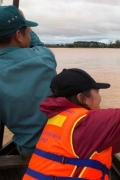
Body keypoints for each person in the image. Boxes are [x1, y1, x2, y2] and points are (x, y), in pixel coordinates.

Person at [23, 68, 120, 180]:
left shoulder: (58, 120)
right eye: (97, 92)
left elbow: (98, 147)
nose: (100, 98)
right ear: (82, 98)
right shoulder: (87, 122)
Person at [0, 5, 57, 157]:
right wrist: (22, 20)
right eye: (27, 30)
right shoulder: (45, 57)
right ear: (19, 35)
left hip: (29, 151)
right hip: (60, 143)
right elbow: (37, 44)